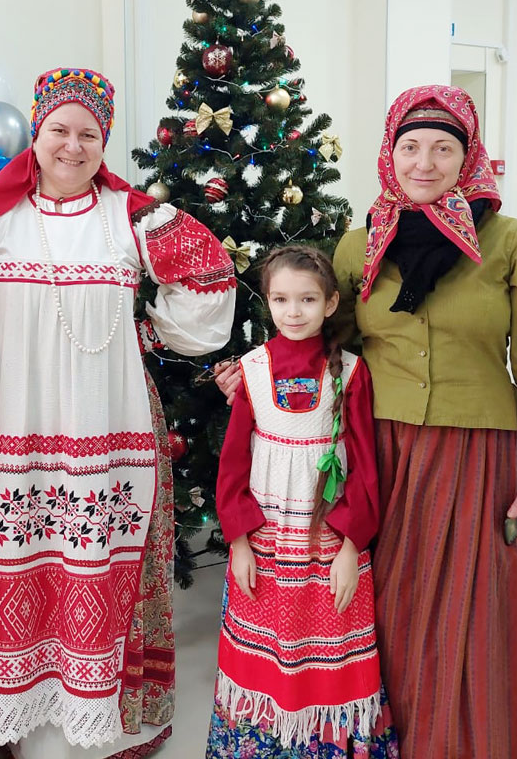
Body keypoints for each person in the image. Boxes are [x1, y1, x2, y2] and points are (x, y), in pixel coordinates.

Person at [218, 84, 517, 757]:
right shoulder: (359, 245)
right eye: (410, 146)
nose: (425, 162)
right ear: (389, 154)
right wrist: (253, 373)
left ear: (469, 158)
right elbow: (318, 343)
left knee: (474, 610)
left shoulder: (511, 242)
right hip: (380, 450)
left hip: (477, 454)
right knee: (389, 609)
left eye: (443, 148)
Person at [0, 67, 236, 759]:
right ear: (35, 135)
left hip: (110, 430)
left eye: (88, 134)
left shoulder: (132, 219)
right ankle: (27, 720)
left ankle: (101, 727)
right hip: (15, 431)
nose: (72, 146)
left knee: (101, 563)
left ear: (103, 141)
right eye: (58, 131)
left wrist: (156, 325)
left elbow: (209, 283)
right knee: (22, 559)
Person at [209, 245, 398, 759]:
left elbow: (363, 466)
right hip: (265, 545)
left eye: (308, 299)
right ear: (267, 303)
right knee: (267, 648)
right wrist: (240, 544)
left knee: (328, 646)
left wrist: (349, 549)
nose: (293, 312)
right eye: (281, 299)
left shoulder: (352, 373)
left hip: (329, 544)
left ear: (331, 303)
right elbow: (232, 466)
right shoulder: (251, 369)